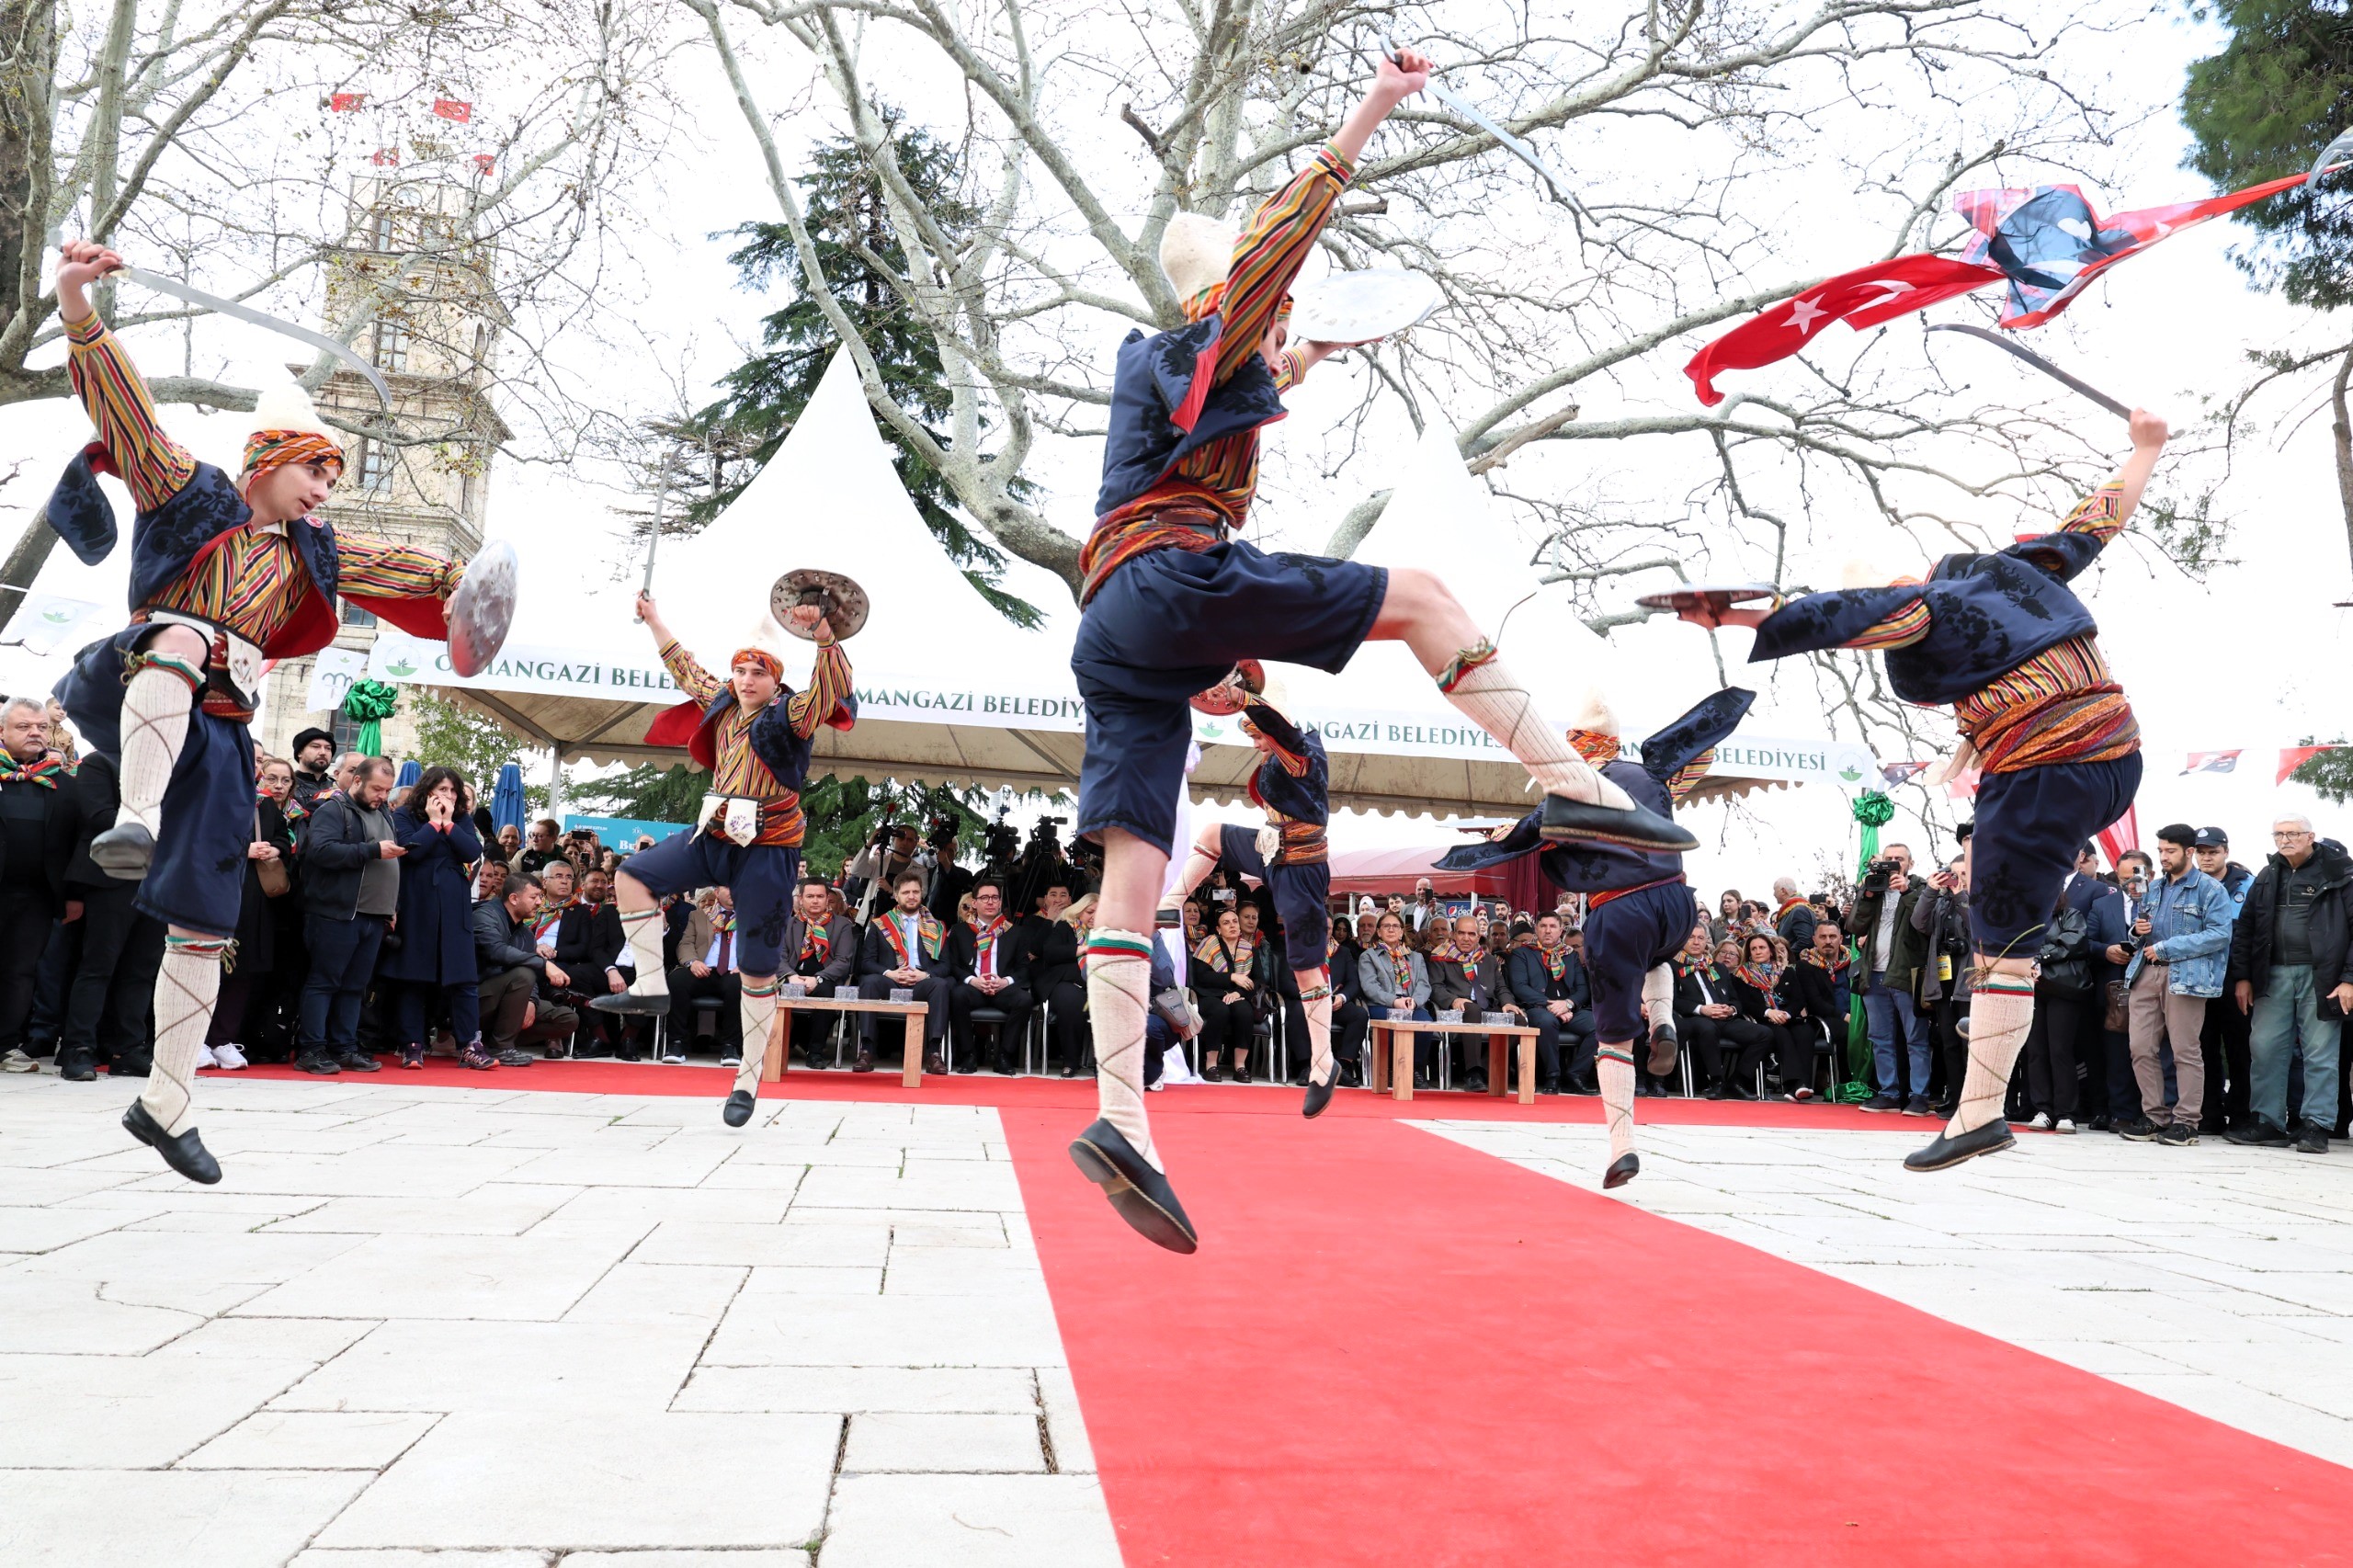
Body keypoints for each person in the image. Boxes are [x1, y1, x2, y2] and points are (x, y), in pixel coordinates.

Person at [1062, 51, 1696, 1251]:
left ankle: (1121, 1119)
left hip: (1116, 632)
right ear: (1229, 303)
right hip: (1161, 572)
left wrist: (1292, 364)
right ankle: (1578, 793)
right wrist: (1374, 111)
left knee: (1136, 872)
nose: (1281, 334)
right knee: (1425, 598)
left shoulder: (1167, 380)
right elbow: (1267, 268)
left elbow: (1241, 371)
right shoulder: (1191, 337)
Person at [42, 242, 469, 1183]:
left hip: (225, 735)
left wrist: (475, 589)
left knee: (203, 920)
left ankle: (166, 1101)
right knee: (185, 639)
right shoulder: (184, 490)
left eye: (333, 478)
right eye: (317, 470)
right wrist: (79, 301)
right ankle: (133, 821)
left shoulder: (314, 553)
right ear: (271, 461)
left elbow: (419, 575)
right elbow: (124, 407)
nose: (325, 490)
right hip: (135, 682)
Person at [1682, 408, 2165, 1169]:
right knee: (2007, 934)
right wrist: (2146, 449)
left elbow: (1859, 617)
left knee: (2003, 949)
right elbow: (2093, 523)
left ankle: (1978, 1115)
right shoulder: (2011, 574)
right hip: (2115, 756)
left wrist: (1752, 615)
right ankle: (1988, 1068)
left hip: (2047, 769)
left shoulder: (1923, 603)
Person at [1442, 687, 1753, 1183]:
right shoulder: (1650, 774)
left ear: (1576, 745)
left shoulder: (1574, 785)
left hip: (1621, 907)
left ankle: (1621, 1145)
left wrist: (1493, 839)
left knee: (1613, 1035)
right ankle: (1664, 1022)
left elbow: (1528, 835)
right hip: (1677, 902)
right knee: (1657, 958)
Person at [592, 590, 854, 1132]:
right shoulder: (724, 703)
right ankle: (650, 986)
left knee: (758, 971)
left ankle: (747, 1079)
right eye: (740, 669)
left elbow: (832, 691)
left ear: (775, 678)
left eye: (758, 670)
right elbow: (683, 667)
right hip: (714, 835)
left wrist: (824, 638)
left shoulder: (791, 713)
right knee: (632, 876)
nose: (747, 678)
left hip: (769, 849)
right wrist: (654, 619)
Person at [1164, 676, 1342, 1109]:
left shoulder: (1304, 751)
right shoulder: (1282, 752)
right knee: (1213, 834)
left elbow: (1282, 733)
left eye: (1256, 732)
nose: (1254, 741)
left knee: (1305, 969)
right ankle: (1170, 905)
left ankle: (1324, 1062)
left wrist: (1242, 698)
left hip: (1301, 868)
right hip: (1275, 849)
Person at [2226, 815, 2353, 1154]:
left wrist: (2349, 979)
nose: (2285, 839)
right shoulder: (2268, 875)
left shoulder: (2340, 873)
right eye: (2279, 834)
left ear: (2311, 835)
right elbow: (2247, 927)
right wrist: (2242, 977)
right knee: (2264, 1047)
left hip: (2322, 975)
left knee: (2320, 1054)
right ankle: (2268, 1122)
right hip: (2273, 974)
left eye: (2293, 833)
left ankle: (2316, 1125)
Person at [2111, 824, 2234, 1145]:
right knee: (2140, 1048)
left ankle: (2187, 1123)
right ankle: (2154, 1116)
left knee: (2185, 1051)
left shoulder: (2210, 889)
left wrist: (2167, 948)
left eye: (2170, 851)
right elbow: (2137, 937)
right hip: (2145, 973)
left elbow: (2220, 935)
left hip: (2186, 976)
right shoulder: (2153, 889)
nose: (2163, 857)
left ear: (2189, 852)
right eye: (2161, 850)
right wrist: (2137, 933)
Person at [297, 756, 404, 1076]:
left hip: (373, 915)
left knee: (355, 986)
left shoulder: (384, 812)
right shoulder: (334, 809)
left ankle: (344, 1047)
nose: (382, 796)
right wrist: (371, 851)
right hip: (337, 913)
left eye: (386, 790)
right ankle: (311, 1049)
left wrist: (391, 906)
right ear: (356, 781)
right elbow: (320, 851)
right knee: (324, 982)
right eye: (376, 788)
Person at [378, 766, 489, 1070]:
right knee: (414, 975)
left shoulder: (463, 820)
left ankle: (470, 1043)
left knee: (464, 977)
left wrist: (449, 823)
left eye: (452, 790)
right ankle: (412, 1043)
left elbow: (471, 851)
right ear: (427, 790)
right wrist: (434, 823)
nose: (448, 795)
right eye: (442, 789)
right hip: (417, 901)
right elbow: (411, 851)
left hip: (454, 904)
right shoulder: (404, 816)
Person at [199, 755, 297, 1069]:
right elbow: (198, 842)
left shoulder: (263, 804)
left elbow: (283, 836)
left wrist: (275, 848)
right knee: (206, 972)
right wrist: (245, 851)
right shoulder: (208, 798)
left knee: (242, 973)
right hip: (214, 897)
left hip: (254, 901)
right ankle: (196, 1038)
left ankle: (222, 1039)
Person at [0, 698, 82, 1071]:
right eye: (23, 727)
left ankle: (5, 1045)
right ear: (2, 731)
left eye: (41, 727)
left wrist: (74, 895)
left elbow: (77, 844)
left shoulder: (63, 783)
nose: (35, 732)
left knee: (21, 971)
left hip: (37, 896)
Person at [1845, 843, 1933, 1114]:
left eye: (1900, 859)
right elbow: (1853, 926)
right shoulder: (1874, 887)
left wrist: (1904, 890)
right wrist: (1869, 894)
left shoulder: (1920, 888)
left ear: (1911, 863)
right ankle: (1889, 1093)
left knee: (1916, 1038)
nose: (1894, 863)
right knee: (1880, 1038)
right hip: (1874, 973)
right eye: (1889, 859)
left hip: (1906, 975)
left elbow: (1925, 924)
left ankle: (1919, 1095)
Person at [473, 871, 575, 1063]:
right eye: (534, 897)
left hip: (507, 998)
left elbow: (532, 975)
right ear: (514, 898)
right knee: (523, 974)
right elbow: (496, 951)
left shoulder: (526, 933)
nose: (539, 902)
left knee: (567, 1019)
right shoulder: (485, 915)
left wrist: (531, 1000)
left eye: (540, 897)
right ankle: (501, 1047)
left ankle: (490, 1040)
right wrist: (544, 964)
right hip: (475, 997)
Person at [857, 870, 952, 1074]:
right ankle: (866, 1051)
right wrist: (890, 973)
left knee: (941, 984)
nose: (911, 896)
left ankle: (934, 1053)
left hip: (921, 982)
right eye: (906, 892)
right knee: (869, 982)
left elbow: (946, 965)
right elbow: (865, 963)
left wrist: (924, 975)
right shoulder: (880, 924)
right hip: (891, 982)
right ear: (896, 895)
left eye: (916, 892)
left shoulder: (936, 926)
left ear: (922, 894)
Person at [2192, 825, 2256, 1132]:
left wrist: (2245, 977)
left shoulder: (2248, 884)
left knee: (2239, 1047)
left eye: (2213, 852)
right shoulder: (2187, 885)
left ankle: (2242, 1113)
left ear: (2226, 852)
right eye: (2201, 852)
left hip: (2233, 979)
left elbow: (2252, 936)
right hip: (2198, 978)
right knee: (2203, 1048)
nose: (2206, 858)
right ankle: (2210, 1112)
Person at [1426, 912, 1526, 1092]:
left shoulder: (1487, 960)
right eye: (1462, 933)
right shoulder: (1440, 956)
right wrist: (1453, 1000)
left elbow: (1501, 988)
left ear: (1478, 937)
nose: (1466, 938)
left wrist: (1507, 1003)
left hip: (1487, 1006)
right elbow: (1435, 987)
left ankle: (1485, 1067)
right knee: (1472, 1010)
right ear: (1454, 935)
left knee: (1519, 1019)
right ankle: (1472, 1072)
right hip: (1458, 1010)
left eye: (1471, 934)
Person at [945, 877, 1034, 1074]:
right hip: (974, 987)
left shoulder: (1015, 932)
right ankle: (968, 1055)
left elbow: (1024, 968)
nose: (990, 902)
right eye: (984, 898)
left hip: (1002, 988)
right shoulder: (960, 931)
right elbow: (953, 965)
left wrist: (1005, 982)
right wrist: (972, 981)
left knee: (1024, 999)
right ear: (975, 903)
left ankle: (1004, 1056)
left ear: (1001, 902)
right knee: (957, 995)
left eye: (995, 897)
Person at [1673, 924, 1770, 1098]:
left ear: (1707, 941)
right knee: (1707, 1028)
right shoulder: (1672, 966)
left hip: (1725, 1018)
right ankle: (1716, 1081)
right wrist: (1702, 1009)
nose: (1696, 942)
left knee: (1764, 1034)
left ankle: (1737, 1081)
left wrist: (1731, 1009)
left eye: (1700, 938)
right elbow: (1672, 1000)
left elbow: (1735, 1000)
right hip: (1694, 1018)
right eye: (1691, 937)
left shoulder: (1718, 967)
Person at [1505, 912, 1595, 1096]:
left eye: (1553, 927)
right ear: (1536, 929)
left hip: (1570, 1009)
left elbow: (1583, 989)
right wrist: (1551, 1005)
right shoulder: (1522, 953)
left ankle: (1576, 1074)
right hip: (1537, 1008)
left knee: (1600, 1025)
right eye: (1543, 926)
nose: (1548, 931)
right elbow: (1520, 987)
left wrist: (1568, 1004)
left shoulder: (1570, 955)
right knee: (1547, 1021)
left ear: (1561, 931)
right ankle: (1552, 1076)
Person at [1725, 931, 1814, 1102]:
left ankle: (1803, 1084)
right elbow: (1745, 1003)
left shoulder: (1786, 971)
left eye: (1762, 947)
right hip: (1760, 1019)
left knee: (1805, 1031)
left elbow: (1798, 999)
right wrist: (1769, 1012)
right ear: (1749, 953)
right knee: (1781, 1034)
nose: (1758, 951)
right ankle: (1792, 1084)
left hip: (1787, 1017)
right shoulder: (1740, 975)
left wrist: (1786, 1013)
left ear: (1771, 951)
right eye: (1754, 949)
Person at [780, 878, 856, 1069]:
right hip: (792, 976)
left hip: (824, 977)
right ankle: (779, 1047)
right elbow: (777, 957)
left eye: (820, 896)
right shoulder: (788, 923)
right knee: (772, 991)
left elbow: (843, 961)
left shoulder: (842, 925)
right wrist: (791, 976)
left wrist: (818, 978)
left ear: (827, 898)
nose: (815, 901)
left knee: (825, 992)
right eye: (810, 896)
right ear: (801, 898)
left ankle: (815, 1052)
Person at [1189, 904, 1263, 1082]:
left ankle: (1240, 1067)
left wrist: (1239, 993)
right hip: (1210, 994)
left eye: (1235, 922)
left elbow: (1260, 981)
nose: (1232, 926)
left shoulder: (1250, 949)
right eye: (1226, 923)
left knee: (1244, 1012)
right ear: (1218, 929)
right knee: (1220, 1010)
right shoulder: (1208, 944)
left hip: (1238, 996)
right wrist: (1232, 977)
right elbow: (1202, 977)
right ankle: (1211, 1065)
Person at [668, 888, 742, 1062]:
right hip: (703, 969)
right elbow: (685, 944)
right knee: (677, 980)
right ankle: (676, 1043)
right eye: (728, 887)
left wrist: (748, 966)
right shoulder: (699, 915)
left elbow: (761, 946)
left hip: (735, 971)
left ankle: (731, 1046)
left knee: (738, 986)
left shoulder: (752, 917)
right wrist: (693, 962)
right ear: (717, 892)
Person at [288, 729, 338, 817]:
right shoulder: (287, 786)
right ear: (300, 752)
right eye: (316, 747)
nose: (323, 752)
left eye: (328, 748)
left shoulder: (337, 787)